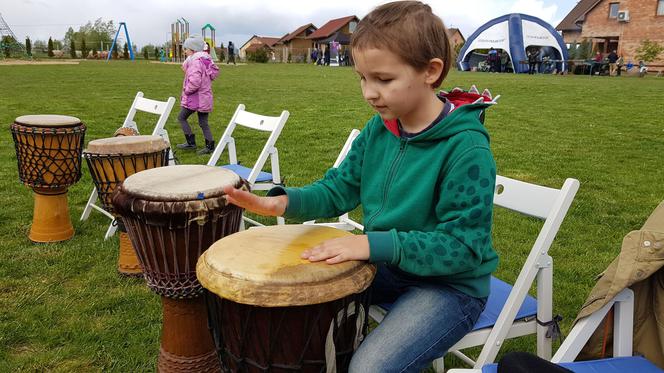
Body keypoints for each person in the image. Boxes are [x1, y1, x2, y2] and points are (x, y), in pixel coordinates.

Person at [221, 1, 498, 371]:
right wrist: (281, 203)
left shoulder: (466, 148)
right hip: (386, 265)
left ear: (431, 72)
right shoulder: (379, 128)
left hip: (449, 288)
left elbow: (462, 248)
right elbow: (340, 188)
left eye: (383, 79)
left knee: (368, 369)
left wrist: (371, 243)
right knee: (296, 298)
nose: (369, 92)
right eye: (362, 78)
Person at [176, 34, 220, 155]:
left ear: (193, 50)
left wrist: (187, 90)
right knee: (203, 122)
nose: (184, 51)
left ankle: (191, 143)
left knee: (181, 117)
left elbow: (195, 82)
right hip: (205, 97)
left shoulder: (195, 62)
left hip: (196, 97)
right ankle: (209, 145)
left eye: (186, 49)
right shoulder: (205, 60)